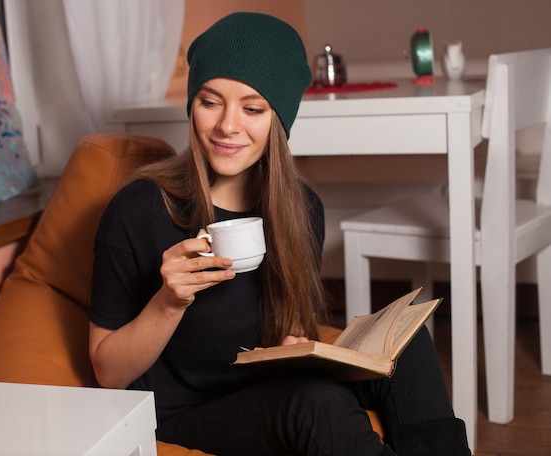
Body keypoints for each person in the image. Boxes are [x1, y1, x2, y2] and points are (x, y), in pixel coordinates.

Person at [88, 12, 471, 456]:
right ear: (192, 103)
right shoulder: (139, 210)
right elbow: (107, 373)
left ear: (279, 119)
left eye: (252, 108)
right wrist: (168, 301)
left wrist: (294, 342)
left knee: (411, 346)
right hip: (183, 410)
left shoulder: (301, 209)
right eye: (210, 102)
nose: (227, 126)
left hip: (265, 383)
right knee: (314, 405)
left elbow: (288, 324)